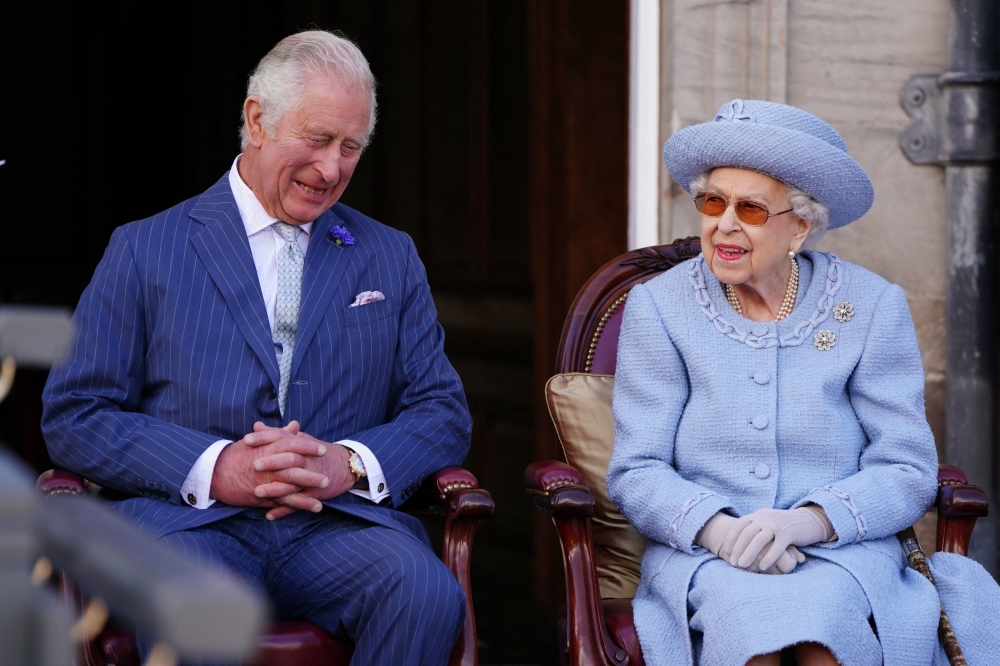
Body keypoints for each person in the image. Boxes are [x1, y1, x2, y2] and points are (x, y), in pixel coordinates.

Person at [41, 30, 470, 666]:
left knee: (427, 593)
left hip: (337, 528)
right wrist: (219, 468)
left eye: (351, 147)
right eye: (317, 139)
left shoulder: (389, 255)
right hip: (185, 530)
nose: (331, 168)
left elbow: (442, 409)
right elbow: (75, 414)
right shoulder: (143, 248)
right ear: (256, 119)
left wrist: (344, 463)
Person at [607, 99, 1000, 665]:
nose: (724, 224)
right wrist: (717, 530)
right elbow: (636, 468)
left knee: (826, 630)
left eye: (752, 209)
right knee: (749, 628)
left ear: (801, 225)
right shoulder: (659, 308)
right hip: (708, 557)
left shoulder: (871, 306)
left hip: (840, 552)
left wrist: (811, 521)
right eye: (713, 201)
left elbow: (907, 467)